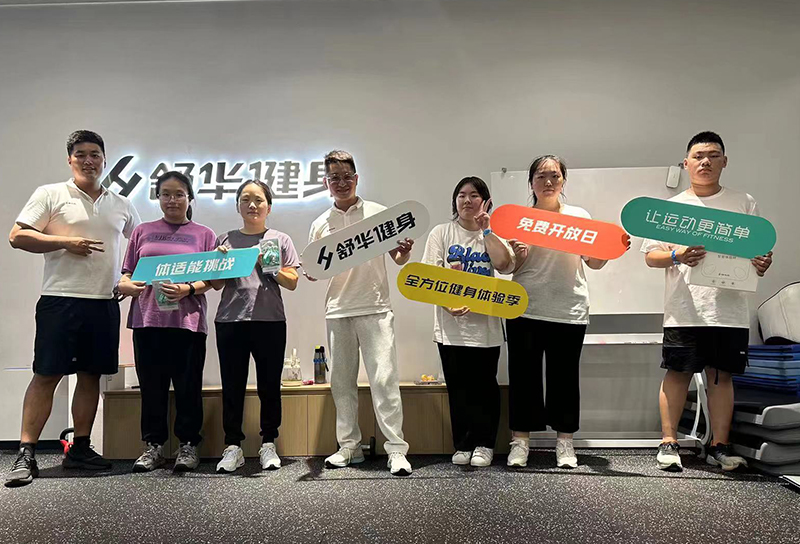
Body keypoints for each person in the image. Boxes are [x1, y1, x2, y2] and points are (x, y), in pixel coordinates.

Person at [5, 130, 140, 487]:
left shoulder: (121, 203)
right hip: (60, 300)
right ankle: (26, 453)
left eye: (95, 154)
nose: (88, 160)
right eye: (81, 154)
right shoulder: (50, 194)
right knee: (46, 374)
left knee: (91, 375)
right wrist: (65, 242)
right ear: (70, 160)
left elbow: (143, 245)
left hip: (104, 302)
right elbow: (18, 236)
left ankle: (80, 447)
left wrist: (128, 279)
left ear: (105, 160)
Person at [644, 131, 773, 471]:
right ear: (686, 163)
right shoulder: (672, 209)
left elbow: (758, 254)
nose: (705, 162)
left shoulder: (744, 203)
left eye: (713, 155)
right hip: (685, 308)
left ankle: (719, 447)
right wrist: (677, 255)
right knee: (678, 372)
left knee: (722, 377)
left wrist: (761, 262)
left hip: (728, 310)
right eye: (698, 156)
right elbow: (651, 256)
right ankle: (668, 443)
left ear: (724, 162)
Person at [307, 150, 413, 476]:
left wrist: (404, 251)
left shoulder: (379, 215)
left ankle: (396, 449)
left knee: (384, 380)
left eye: (346, 177)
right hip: (338, 309)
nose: (341, 183)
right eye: (334, 178)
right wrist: (310, 271)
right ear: (326, 182)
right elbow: (314, 270)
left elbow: (398, 259)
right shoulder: (320, 224)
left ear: (356, 178)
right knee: (341, 383)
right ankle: (349, 447)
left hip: (376, 308)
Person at [506, 155, 616, 469]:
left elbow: (593, 262)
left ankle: (565, 443)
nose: (548, 182)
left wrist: (611, 249)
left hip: (569, 309)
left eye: (554, 175)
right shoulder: (519, 219)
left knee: (564, 378)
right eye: (541, 176)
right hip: (525, 307)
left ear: (563, 180)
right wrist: (518, 254)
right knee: (523, 377)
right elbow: (509, 266)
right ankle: (520, 443)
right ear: (531, 182)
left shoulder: (579, 216)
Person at [117, 171, 216, 473]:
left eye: (179, 194)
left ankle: (188, 445)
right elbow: (127, 273)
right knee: (151, 388)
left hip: (187, 322)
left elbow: (214, 279)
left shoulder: (204, 234)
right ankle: (153, 446)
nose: (172, 200)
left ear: (190, 198)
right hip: (147, 321)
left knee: (188, 387)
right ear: (158, 197)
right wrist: (126, 285)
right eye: (166, 194)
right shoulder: (142, 232)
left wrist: (188, 289)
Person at [421, 177, 513, 467]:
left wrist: (487, 231)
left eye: (474, 195)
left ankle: (485, 444)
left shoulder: (494, 233)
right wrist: (446, 304)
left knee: (485, 387)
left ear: (486, 202)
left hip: (486, 327)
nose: (467, 200)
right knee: (458, 388)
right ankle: (462, 443)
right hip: (450, 329)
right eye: (461, 195)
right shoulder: (441, 232)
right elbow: (428, 276)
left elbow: (503, 265)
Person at [210, 180, 300, 473]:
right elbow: (215, 284)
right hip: (230, 321)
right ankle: (232, 446)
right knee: (232, 386)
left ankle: (268, 443)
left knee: (269, 386)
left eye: (259, 200)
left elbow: (292, 282)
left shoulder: (280, 239)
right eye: (245, 199)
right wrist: (219, 263)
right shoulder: (224, 240)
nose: (252, 205)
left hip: (270, 321)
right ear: (238, 206)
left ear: (268, 207)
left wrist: (268, 265)